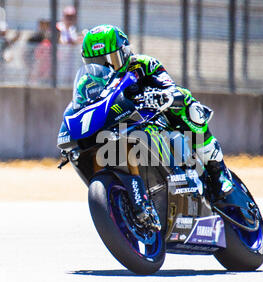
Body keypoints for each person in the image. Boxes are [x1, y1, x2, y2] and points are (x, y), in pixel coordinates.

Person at [80, 24, 233, 200]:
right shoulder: (87, 83)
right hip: (119, 125)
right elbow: (80, 107)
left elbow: (169, 87)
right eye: (96, 63)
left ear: (125, 52)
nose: (105, 68)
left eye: (110, 60)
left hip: (154, 117)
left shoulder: (143, 64)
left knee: (187, 103)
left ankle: (218, 171)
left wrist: (161, 96)